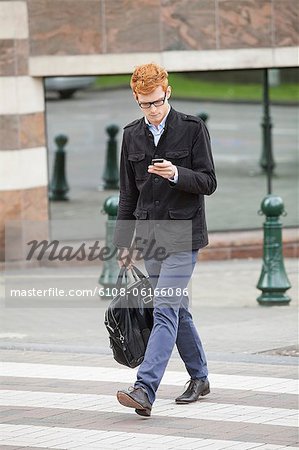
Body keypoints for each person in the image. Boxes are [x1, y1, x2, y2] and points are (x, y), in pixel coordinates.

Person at [113, 63, 217, 417]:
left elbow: (208, 182)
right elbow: (127, 195)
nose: (152, 110)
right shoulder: (130, 135)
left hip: (184, 234)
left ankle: (145, 388)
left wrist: (176, 174)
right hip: (150, 238)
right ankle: (200, 377)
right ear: (136, 99)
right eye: (144, 104)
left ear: (167, 92)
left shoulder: (192, 128)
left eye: (157, 102)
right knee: (176, 310)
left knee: (165, 310)